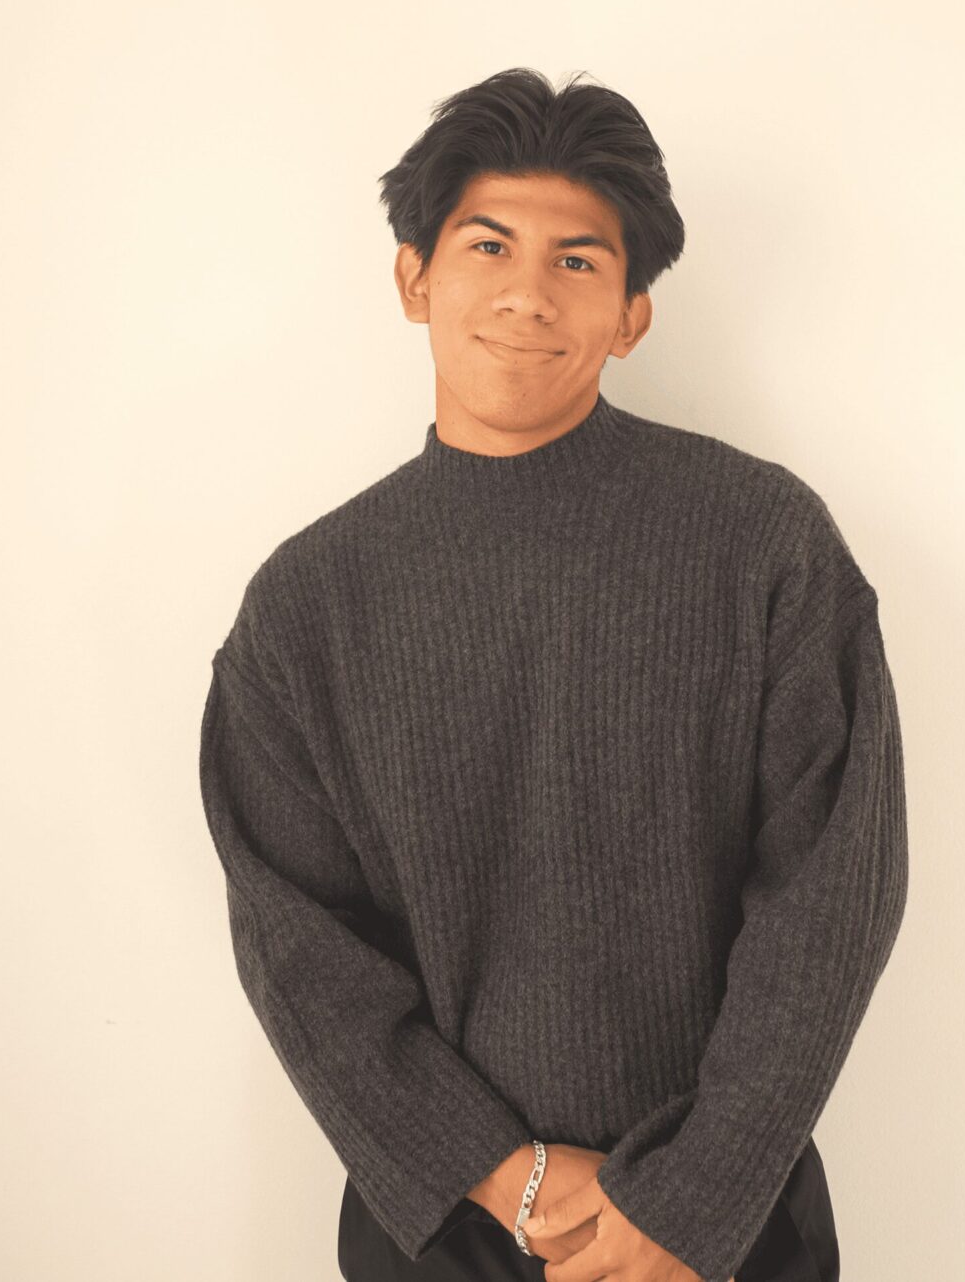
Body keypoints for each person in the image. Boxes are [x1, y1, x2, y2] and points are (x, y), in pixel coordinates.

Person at [197, 67, 907, 1282]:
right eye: (488, 246)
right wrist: (505, 1174)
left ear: (631, 315)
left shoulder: (763, 544)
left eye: (578, 260)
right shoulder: (307, 606)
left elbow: (834, 891)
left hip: (728, 1225)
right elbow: (298, 944)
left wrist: (693, 1196)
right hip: (442, 1227)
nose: (528, 291)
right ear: (414, 279)